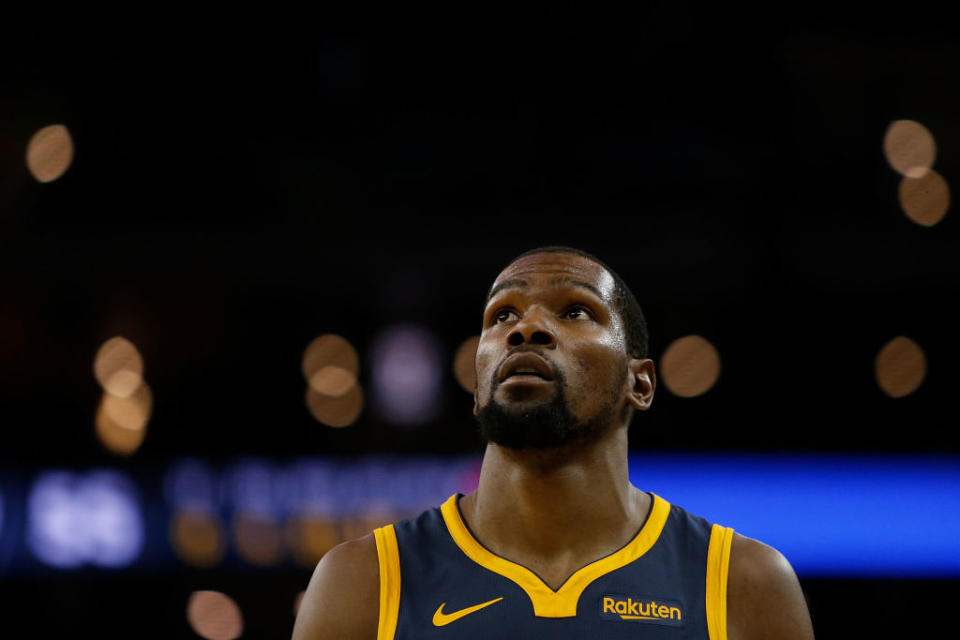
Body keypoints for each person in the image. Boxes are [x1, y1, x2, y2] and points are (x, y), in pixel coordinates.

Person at [292, 247, 815, 640]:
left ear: (641, 383)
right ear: (478, 389)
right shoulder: (363, 581)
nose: (527, 328)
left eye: (575, 311)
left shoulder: (743, 583)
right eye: (503, 315)